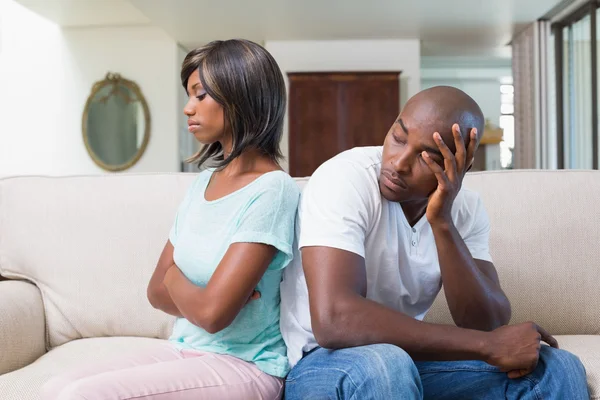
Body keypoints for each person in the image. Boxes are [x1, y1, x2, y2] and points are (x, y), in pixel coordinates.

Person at [280, 86, 589, 400]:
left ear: (461, 167)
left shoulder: (466, 209)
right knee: (386, 364)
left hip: (406, 361)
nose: (398, 163)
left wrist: (442, 223)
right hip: (320, 363)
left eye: (427, 156)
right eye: (398, 138)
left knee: (557, 368)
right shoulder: (344, 179)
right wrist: (486, 347)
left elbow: (487, 322)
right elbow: (335, 320)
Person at [42, 39, 299, 400]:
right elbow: (156, 291)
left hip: (243, 365)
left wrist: (181, 281)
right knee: (56, 387)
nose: (187, 109)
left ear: (239, 95)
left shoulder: (273, 191)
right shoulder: (204, 184)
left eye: (200, 95)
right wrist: (202, 294)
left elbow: (211, 315)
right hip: (181, 349)